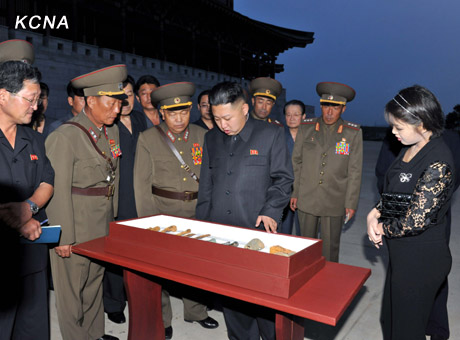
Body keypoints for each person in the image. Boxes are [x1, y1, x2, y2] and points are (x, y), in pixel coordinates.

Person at [196, 81, 293, 340]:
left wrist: (272, 209)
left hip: (257, 229)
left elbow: (283, 179)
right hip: (222, 233)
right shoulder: (211, 138)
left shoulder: (270, 134)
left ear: (245, 109)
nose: (222, 125)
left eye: (227, 117)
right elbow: (206, 186)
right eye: (216, 119)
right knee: (233, 302)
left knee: (265, 303)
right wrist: (201, 227)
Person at [367, 85, 457, 340]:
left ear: (421, 122)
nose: (393, 132)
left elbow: (415, 220)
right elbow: (396, 192)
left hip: (422, 260)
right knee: (391, 322)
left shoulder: (438, 161)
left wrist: (381, 228)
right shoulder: (410, 148)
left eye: (399, 127)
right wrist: (374, 212)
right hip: (403, 258)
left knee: (406, 331)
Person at [45, 64, 128, 340]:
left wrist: (112, 220)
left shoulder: (110, 132)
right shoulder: (64, 136)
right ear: (91, 101)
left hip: (101, 223)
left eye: (119, 102)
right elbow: (56, 191)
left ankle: (94, 334)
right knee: (71, 294)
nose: (117, 109)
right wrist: (63, 237)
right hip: (75, 225)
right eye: (111, 102)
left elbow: (110, 178)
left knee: (93, 285)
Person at [134, 82, 219, 339]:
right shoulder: (148, 139)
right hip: (163, 213)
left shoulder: (203, 136)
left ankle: (196, 311)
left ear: (190, 110)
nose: (179, 118)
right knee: (160, 270)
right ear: (162, 114)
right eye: (172, 113)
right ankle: (163, 318)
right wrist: (149, 222)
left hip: (197, 211)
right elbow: (141, 183)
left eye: (183, 112)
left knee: (196, 267)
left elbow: (212, 176)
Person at [0, 59, 54, 339]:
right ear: (3, 95)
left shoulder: (34, 139)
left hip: (32, 253)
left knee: (32, 328)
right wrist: (13, 218)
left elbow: (47, 181)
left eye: (38, 100)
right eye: (30, 99)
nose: (36, 107)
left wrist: (28, 207)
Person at [291, 81, 363, 262]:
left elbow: (355, 170)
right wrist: (295, 192)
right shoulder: (306, 128)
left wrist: (351, 203)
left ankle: (328, 284)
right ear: (321, 106)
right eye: (326, 106)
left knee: (330, 249)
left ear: (343, 110)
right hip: (307, 197)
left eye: (335, 108)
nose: (329, 112)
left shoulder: (352, 133)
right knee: (305, 247)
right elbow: (296, 162)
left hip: (334, 200)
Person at [103, 75, 147, 324]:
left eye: (129, 94)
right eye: (121, 95)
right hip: (118, 199)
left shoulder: (142, 121)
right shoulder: (109, 125)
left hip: (141, 198)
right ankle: (114, 303)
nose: (126, 100)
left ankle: (136, 297)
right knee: (115, 257)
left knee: (140, 255)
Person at [279, 99, 305, 235]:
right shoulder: (278, 136)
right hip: (283, 191)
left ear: (304, 117)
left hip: (304, 192)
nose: (292, 118)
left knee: (304, 233)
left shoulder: (311, 138)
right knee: (283, 231)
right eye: (288, 115)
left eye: (296, 114)